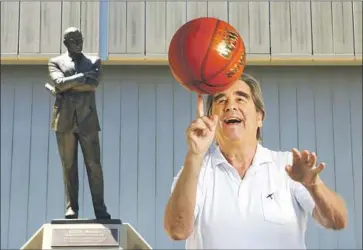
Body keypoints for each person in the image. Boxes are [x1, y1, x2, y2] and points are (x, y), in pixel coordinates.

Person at [164, 73, 347, 249]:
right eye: (221, 100)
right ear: (210, 117)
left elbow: (336, 220)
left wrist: (313, 185)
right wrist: (195, 154)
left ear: (259, 117)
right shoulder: (195, 171)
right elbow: (177, 231)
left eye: (240, 99)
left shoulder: (288, 166)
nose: (230, 106)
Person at [47, 27, 111, 220]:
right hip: (64, 121)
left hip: (87, 120)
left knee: (94, 166)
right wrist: (82, 78)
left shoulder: (94, 61)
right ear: (66, 42)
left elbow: (93, 84)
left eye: (80, 38)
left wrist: (68, 84)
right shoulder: (55, 62)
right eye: (74, 39)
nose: (79, 42)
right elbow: (59, 83)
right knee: (69, 166)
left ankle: (100, 209)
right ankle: (71, 208)